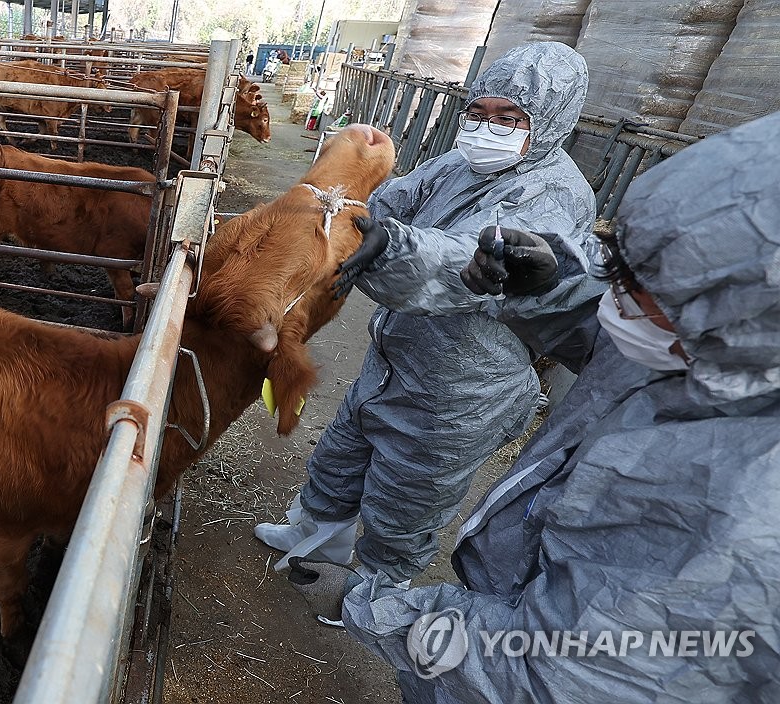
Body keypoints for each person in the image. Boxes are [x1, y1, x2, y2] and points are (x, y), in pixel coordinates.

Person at [287, 109, 780, 703]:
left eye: (646, 282)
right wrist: (550, 285)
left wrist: (380, 610)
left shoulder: (748, 514)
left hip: (460, 388)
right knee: (354, 449)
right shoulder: (702, 348)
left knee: (411, 490)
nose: (616, 292)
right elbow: (605, 339)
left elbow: (553, 673)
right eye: (621, 262)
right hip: (416, 384)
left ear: (743, 313)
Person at [254, 42, 598, 591]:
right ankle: (313, 532)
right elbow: (393, 202)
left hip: (461, 385)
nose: (488, 130)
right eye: (479, 114)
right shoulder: (460, 165)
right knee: (342, 453)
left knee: (408, 498)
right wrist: (340, 215)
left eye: (509, 119)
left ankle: (374, 597)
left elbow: (473, 259)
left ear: (551, 121)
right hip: (398, 353)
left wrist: (391, 246)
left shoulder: (555, 193)